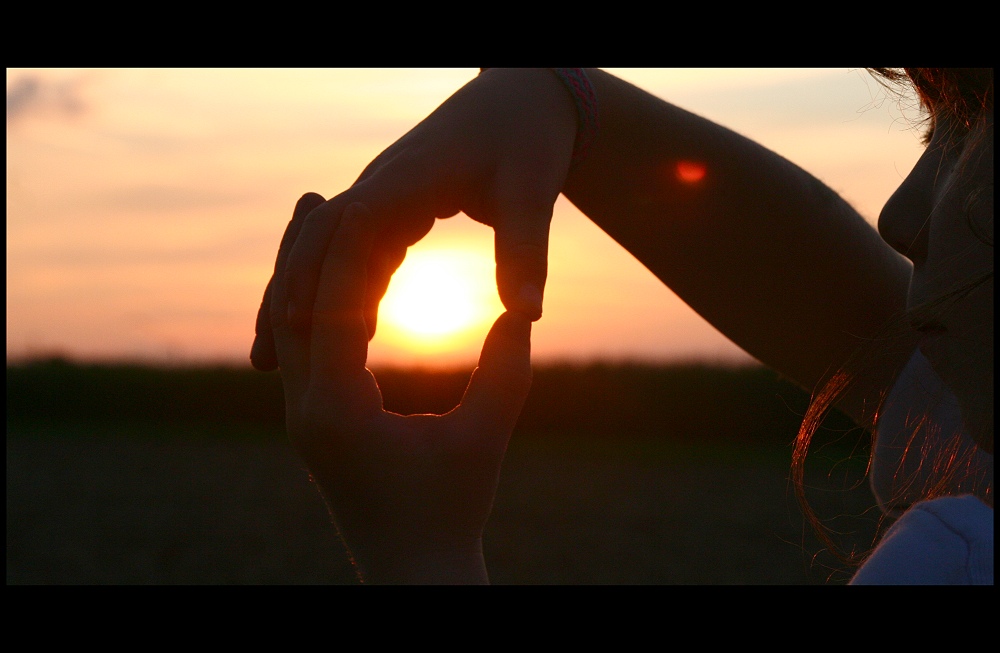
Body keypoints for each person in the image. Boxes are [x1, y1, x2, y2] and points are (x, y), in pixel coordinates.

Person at [251, 68, 992, 584]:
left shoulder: (956, 561)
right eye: (937, 132)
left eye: (975, 124)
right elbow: (873, 333)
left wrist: (417, 552)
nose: (898, 216)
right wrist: (567, 101)